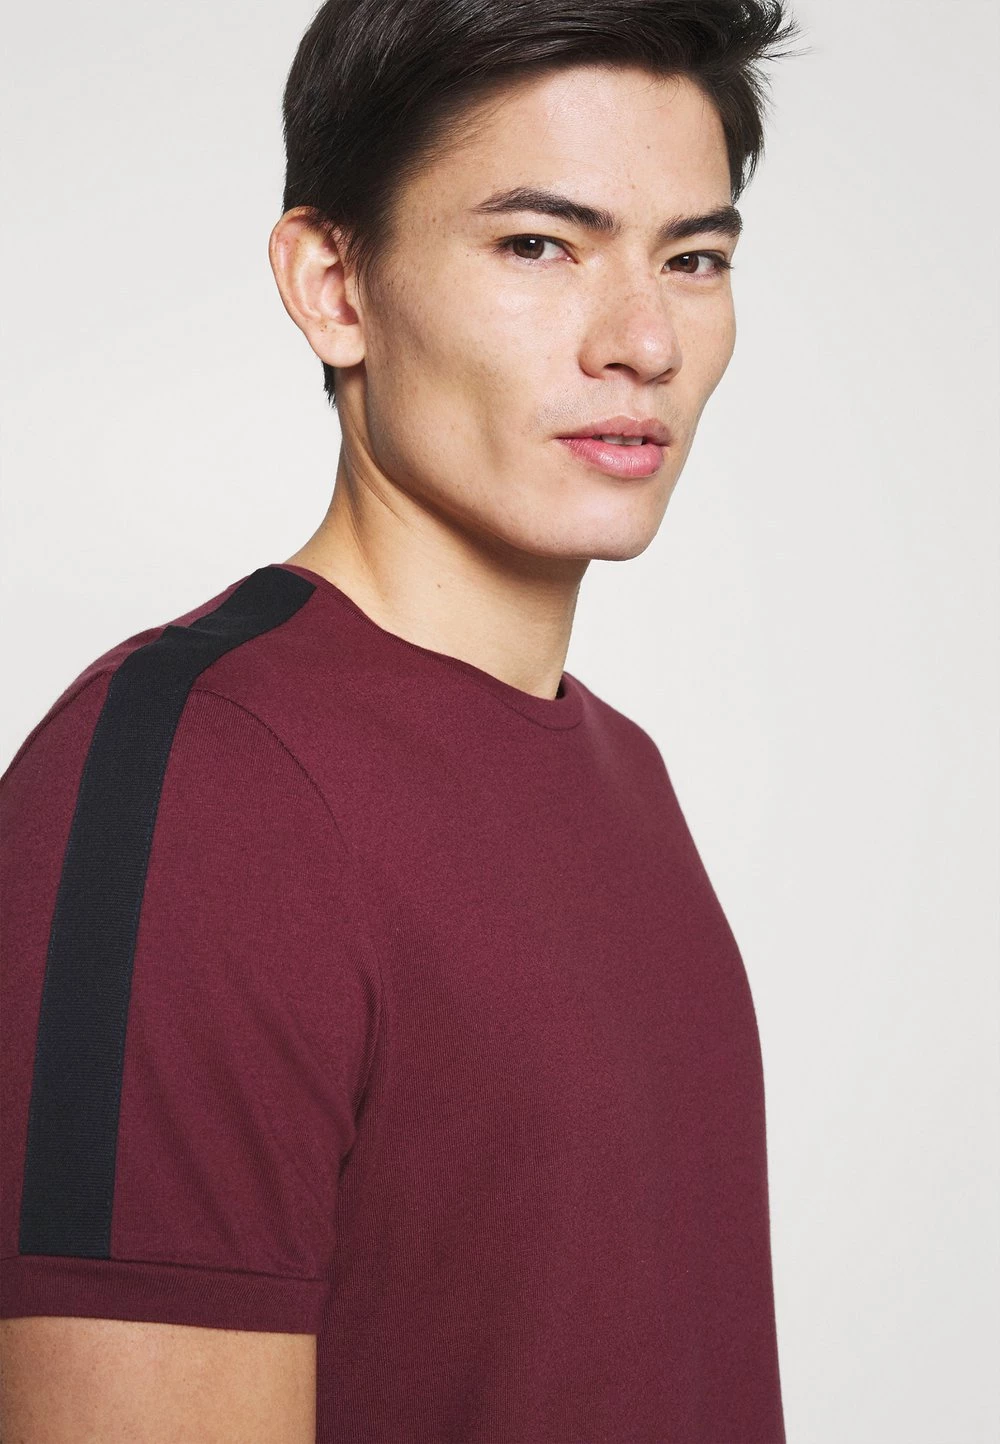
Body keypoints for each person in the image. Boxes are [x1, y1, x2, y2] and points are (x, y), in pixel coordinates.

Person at [0, 1, 805, 1438]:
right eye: (538, 245)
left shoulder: (624, 771)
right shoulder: (200, 783)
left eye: (693, 259)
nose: (643, 341)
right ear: (335, 285)